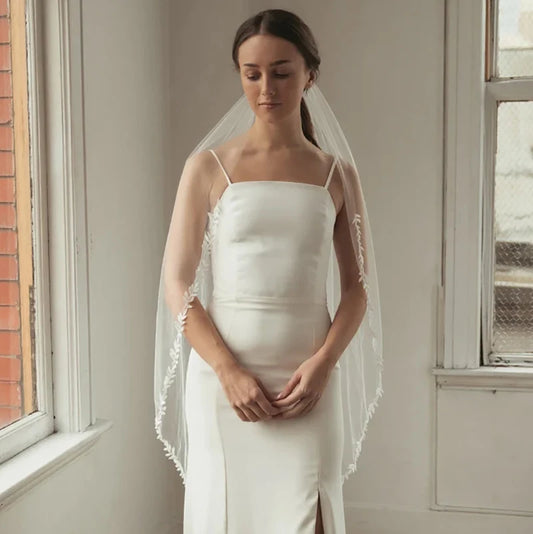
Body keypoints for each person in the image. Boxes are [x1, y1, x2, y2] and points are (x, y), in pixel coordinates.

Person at [154, 8, 384, 534]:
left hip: (309, 383)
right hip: (223, 383)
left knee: (313, 519)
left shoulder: (336, 174)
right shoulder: (207, 168)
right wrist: (227, 372)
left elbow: (356, 291)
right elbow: (177, 284)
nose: (266, 88)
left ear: (310, 75)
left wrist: (325, 362)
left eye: (281, 72)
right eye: (251, 73)